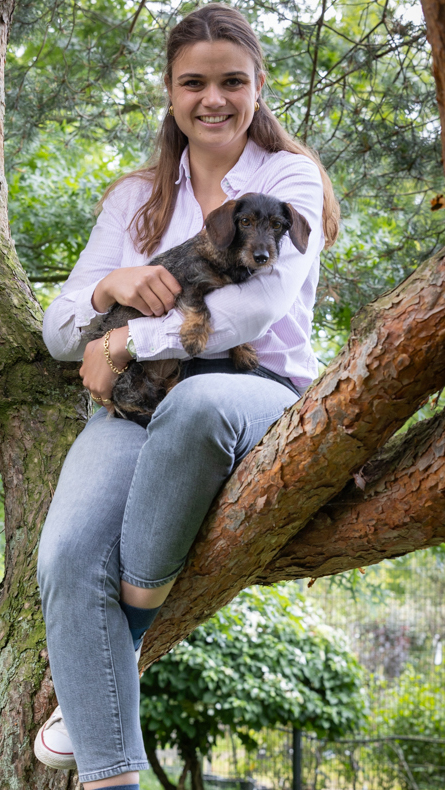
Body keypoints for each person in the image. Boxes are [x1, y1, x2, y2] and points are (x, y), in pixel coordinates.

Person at [34, 5, 339, 789]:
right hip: (139, 404)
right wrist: (109, 285)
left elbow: (257, 307)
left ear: (257, 86)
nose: (213, 99)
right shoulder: (137, 195)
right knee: (66, 554)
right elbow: (60, 328)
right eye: (193, 82)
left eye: (231, 81)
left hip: (254, 393)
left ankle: (125, 637)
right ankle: (112, 777)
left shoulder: (285, 179)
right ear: (169, 92)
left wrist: (128, 338)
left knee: (198, 408)